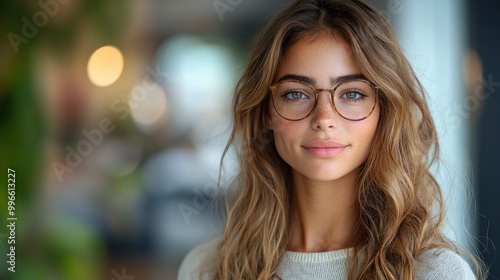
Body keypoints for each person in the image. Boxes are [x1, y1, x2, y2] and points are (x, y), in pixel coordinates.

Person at [178, 0, 484, 279]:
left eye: (352, 94)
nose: (324, 118)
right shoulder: (206, 269)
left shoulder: (435, 273)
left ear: (385, 113)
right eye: (295, 93)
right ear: (266, 113)